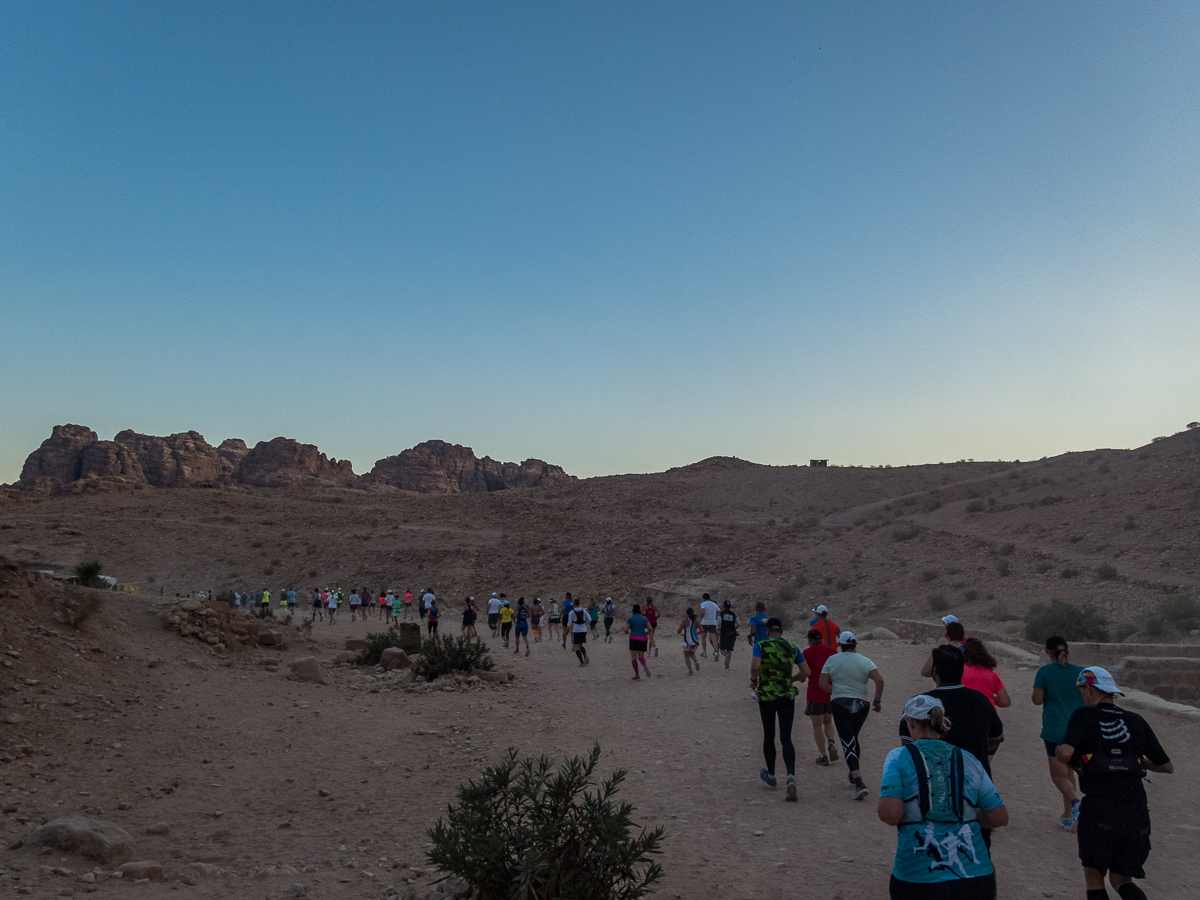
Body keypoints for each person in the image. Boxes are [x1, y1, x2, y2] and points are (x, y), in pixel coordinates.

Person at [1056, 667, 1172, 900]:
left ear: (1089, 688)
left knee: (1095, 877)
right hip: (1135, 809)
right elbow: (1166, 766)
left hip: (1099, 807)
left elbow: (1066, 753)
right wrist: (1136, 762)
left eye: (1082, 690)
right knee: (1121, 880)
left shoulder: (1083, 716)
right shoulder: (1135, 720)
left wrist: (1060, 751)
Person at [878, 695, 1009, 900]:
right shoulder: (968, 759)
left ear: (911, 723)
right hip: (974, 876)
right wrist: (965, 814)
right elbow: (999, 817)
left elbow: (890, 814)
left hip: (917, 875)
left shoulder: (898, 757)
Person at [819, 631, 884, 801]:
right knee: (853, 737)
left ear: (840, 645)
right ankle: (853, 771)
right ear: (855, 644)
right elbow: (879, 680)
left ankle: (859, 782)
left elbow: (823, 684)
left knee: (847, 741)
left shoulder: (832, 660)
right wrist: (877, 700)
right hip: (862, 704)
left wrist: (838, 691)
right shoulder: (865, 661)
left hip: (840, 704)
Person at [750, 617, 809, 802]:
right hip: (786, 696)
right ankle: (790, 776)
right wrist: (791, 679)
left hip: (766, 696)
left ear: (767, 631)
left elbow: (755, 666)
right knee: (786, 737)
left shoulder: (761, 645)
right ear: (781, 632)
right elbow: (806, 672)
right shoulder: (792, 647)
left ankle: (772, 775)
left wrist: (754, 681)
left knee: (769, 735)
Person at [1033, 635, 1086, 831]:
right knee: (1069, 773)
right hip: (1078, 729)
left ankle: (1076, 803)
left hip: (1055, 729)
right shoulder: (1080, 672)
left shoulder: (1045, 672)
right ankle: (1068, 816)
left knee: (1058, 775)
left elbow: (1037, 700)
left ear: (1048, 652)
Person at [802, 628, 838, 766]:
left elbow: (805, 672)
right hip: (830, 692)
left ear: (810, 640)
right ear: (822, 639)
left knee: (817, 725)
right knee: (828, 721)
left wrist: (800, 679)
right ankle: (831, 742)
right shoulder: (832, 652)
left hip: (814, 693)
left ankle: (823, 755)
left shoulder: (807, 652)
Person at [961, 638, 1011, 708]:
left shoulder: (960, 671)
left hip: (966, 711)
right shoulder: (992, 673)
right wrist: (989, 697)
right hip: (988, 713)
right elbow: (1005, 701)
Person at [625, 603, 651, 679]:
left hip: (633, 638)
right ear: (640, 610)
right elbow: (649, 628)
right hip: (643, 639)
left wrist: (627, 631)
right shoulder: (644, 618)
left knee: (634, 658)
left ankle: (637, 675)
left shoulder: (631, 619)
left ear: (633, 610)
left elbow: (626, 629)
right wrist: (645, 632)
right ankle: (644, 666)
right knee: (641, 657)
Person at [677, 607, 701, 674]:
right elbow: (702, 630)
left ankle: (690, 671)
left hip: (687, 641)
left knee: (686, 656)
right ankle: (695, 661)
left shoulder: (684, 622)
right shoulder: (696, 621)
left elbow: (678, 631)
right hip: (695, 641)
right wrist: (696, 633)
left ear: (687, 614)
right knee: (692, 653)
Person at [718, 600, 739, 670]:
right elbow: (739, 623)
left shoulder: (721, 614)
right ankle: (727, 666)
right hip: (732, 634)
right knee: (729, 650)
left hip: (724, 633)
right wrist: (735, 628)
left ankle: (725, 655)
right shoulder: (734, 614)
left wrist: (718, 629)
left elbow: (718, 623)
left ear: (724, 607)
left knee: (722, 649)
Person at [698, 593, 720, 658]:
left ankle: (704, 652)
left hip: (705, 623)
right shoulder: (714, 604)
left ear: (703, 598)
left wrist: (701, 617)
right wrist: (714, 616)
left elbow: (703, 611)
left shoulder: (703, 604)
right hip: (713, 623)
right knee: (714, 639)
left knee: (703, 638)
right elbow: (719, 611)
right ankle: (716, 651)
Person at [569, 600, 590, 666]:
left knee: (576, 646)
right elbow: (589, 619)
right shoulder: (584, 611)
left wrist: (569, 628)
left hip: (576, 630)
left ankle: (581, 662)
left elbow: (569, 624)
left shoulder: (572, 612)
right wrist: (585, 624)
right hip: (583, 630)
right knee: (581, 645)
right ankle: (585, 655)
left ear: (574, 604)